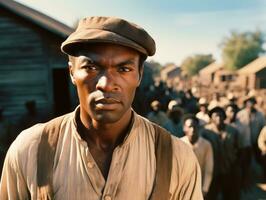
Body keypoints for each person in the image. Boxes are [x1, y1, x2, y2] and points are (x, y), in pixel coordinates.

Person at [0, 16, 203, 199]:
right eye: (91, 67)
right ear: (72, 73)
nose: (106, 83)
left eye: (124, 69)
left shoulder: (177, 158)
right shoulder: (30, 151)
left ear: (139, 75)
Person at [205, 106, 240, 200]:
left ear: (224, 117)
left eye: (221, 116)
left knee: (229, 194)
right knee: (212, 195)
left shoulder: (232, 131)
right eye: (216, 116)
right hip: (212, 170)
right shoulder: (206, 132)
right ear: (211, 118)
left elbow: (238, 149)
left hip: (229, 168)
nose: (218, 118)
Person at [181, 115, 213, 197]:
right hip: (183, 187)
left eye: (195, 127)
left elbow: (208, 169)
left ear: (198, 128)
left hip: (199, 185)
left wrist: (205, 189)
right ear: (184, 128)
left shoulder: (206, 144)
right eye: (190, 127)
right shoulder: (179, 143)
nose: (193, 129)